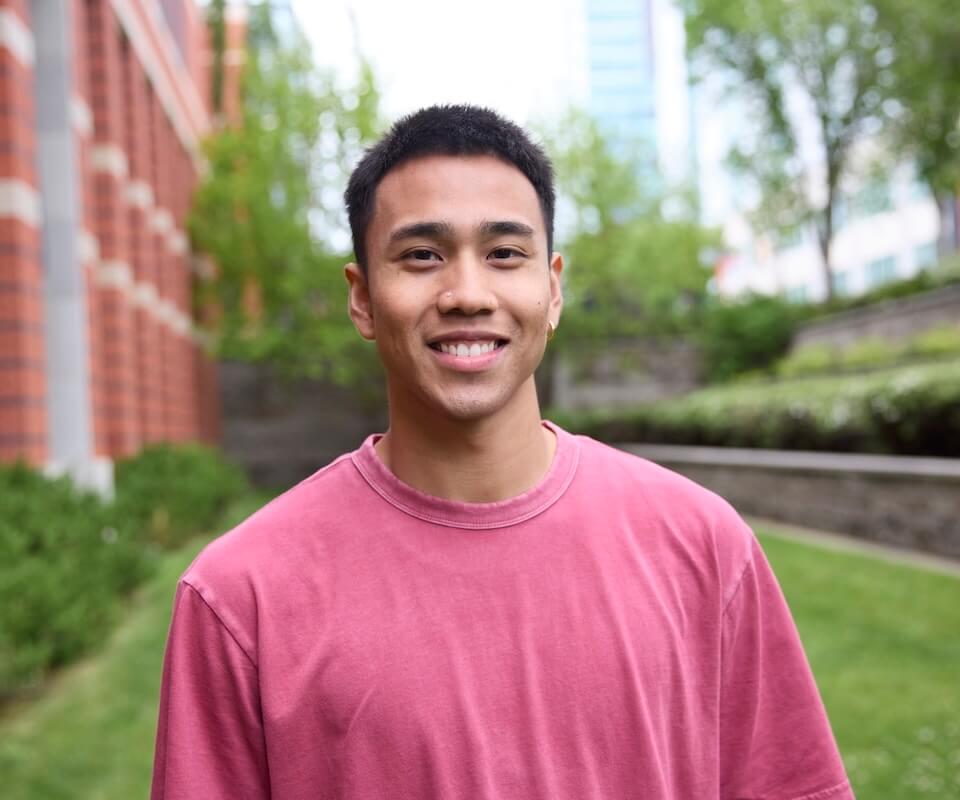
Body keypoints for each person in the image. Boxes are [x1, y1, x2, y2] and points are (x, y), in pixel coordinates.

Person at [151, 104, 854, 800]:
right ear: (362, 298)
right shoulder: (241, 597)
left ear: (552, 289)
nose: (467, 294)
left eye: (504, 255)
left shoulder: (704, 545)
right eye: (422, 255)